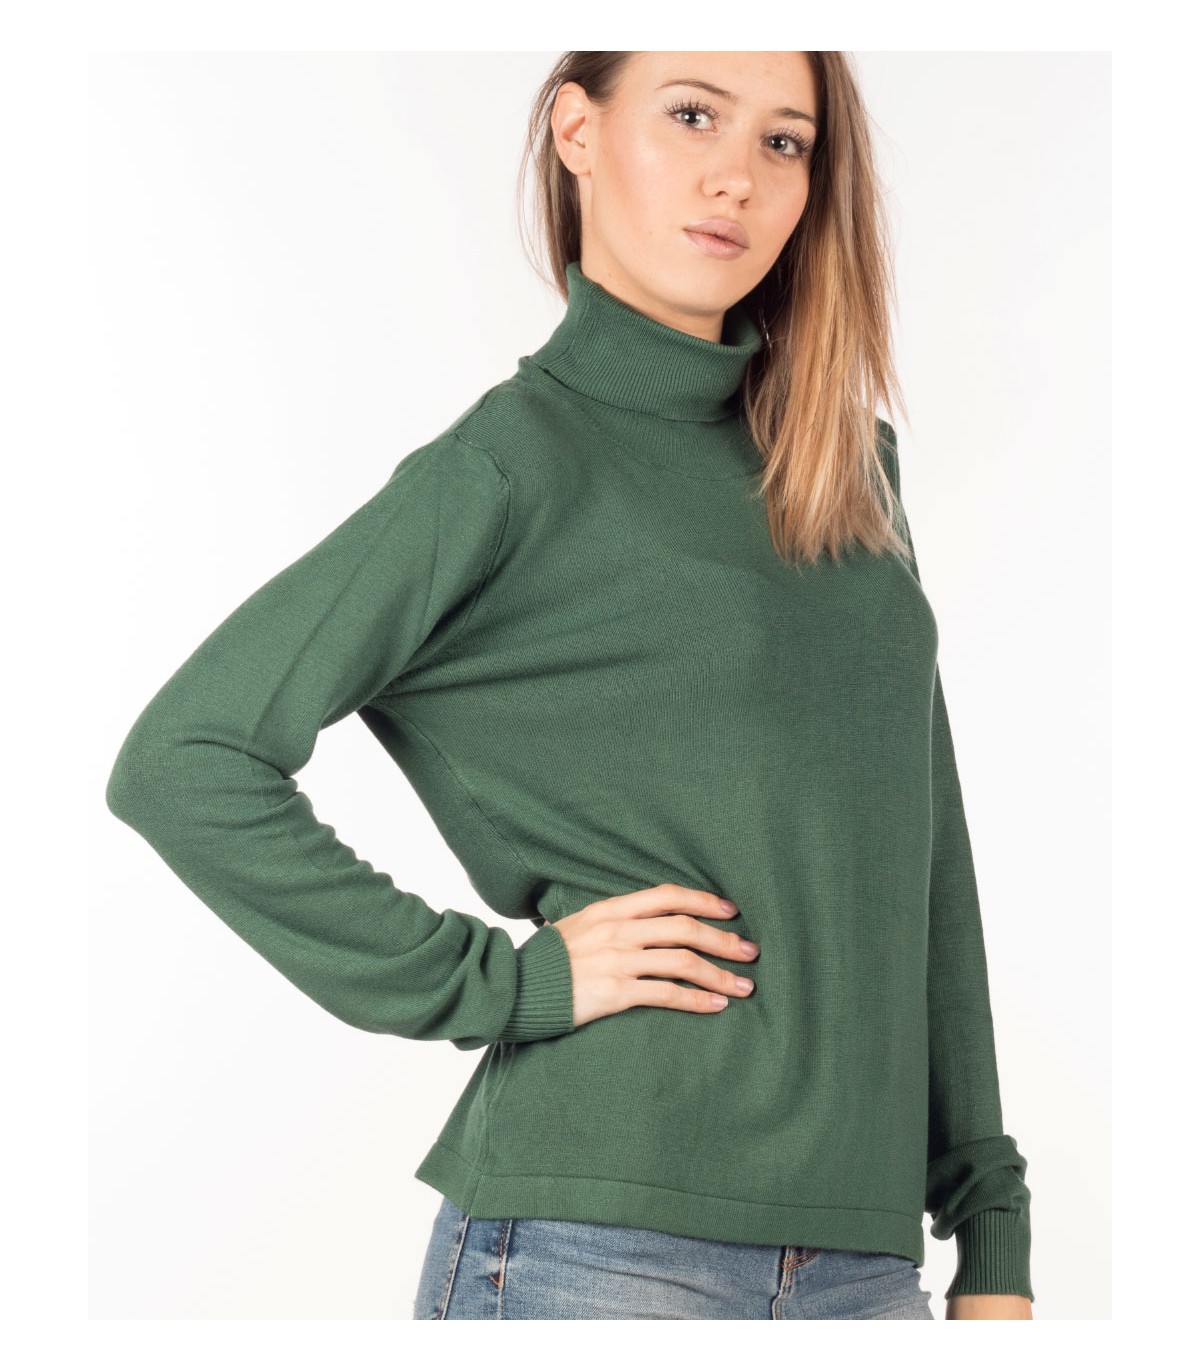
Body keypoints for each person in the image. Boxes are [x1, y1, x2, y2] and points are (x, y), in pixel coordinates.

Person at [105, 50, 1035, 1320]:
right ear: (578, 132)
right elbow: (184, 761)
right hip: (593, 1248)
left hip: (864, 1267)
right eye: (693, 114)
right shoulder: (509, 466)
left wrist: (991, 1225)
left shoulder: (843, 463)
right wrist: (508, 983)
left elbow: (926, 856)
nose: (738, 176)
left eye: (784, 142)